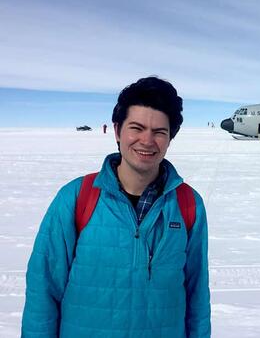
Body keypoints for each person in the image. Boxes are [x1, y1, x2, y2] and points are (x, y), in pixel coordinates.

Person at [22, 77, 211, 337]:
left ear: (170, 138)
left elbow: (197, 294)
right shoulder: (76, 198)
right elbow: (43, 290)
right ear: (117, 130)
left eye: (159, 132)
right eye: (137, 128)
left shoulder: (189, 205)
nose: (147, 140)